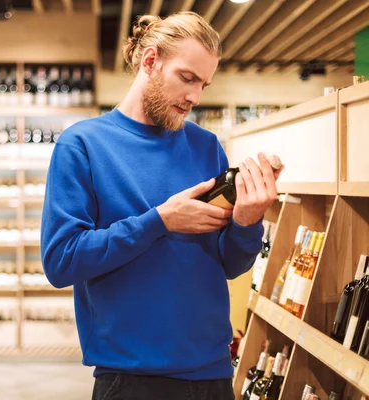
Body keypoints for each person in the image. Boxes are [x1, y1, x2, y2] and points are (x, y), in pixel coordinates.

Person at [40, 12, 284, 400]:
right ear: (150, 62)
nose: (195, 97)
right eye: (187, 78)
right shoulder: (83, 145)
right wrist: (160, 220)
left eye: (203, 84)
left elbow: (232, 264)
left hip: (213, 373)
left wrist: (247, 220)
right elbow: (61, 262)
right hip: (130, 378)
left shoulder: (206, 147)